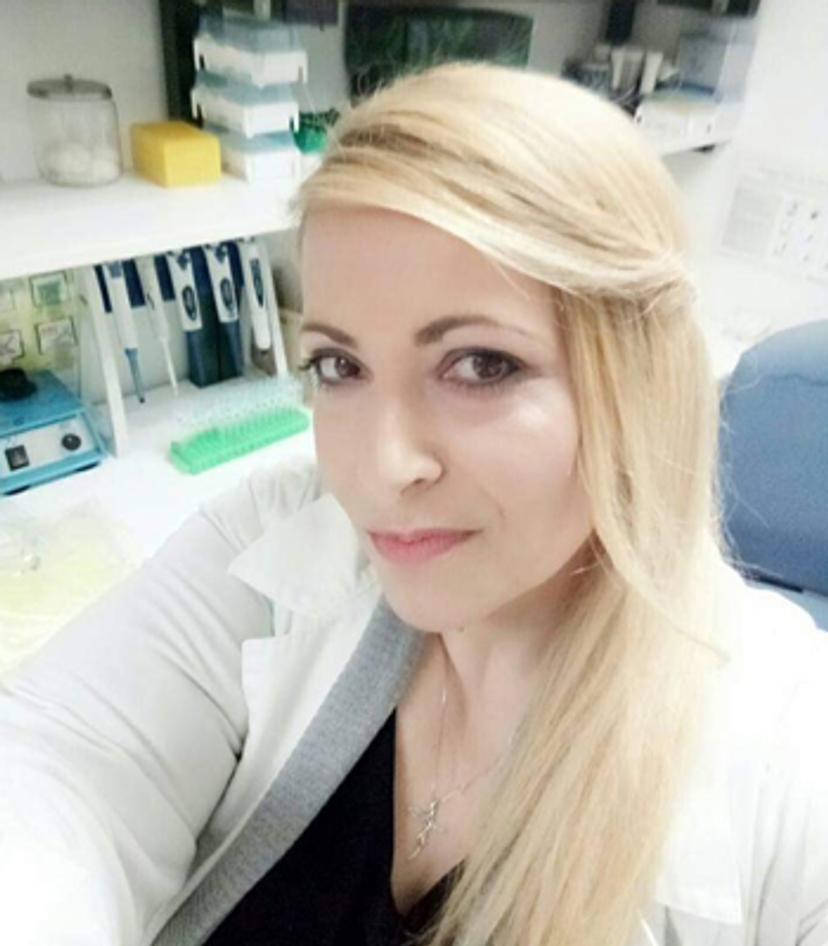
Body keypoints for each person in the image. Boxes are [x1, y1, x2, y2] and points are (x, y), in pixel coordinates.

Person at [1, 61, 826, 946]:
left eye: (481, 365)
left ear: (635, 381)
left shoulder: (790, 744)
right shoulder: (275, 539)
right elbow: (64, 761)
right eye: (340, 366)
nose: (382, 468)